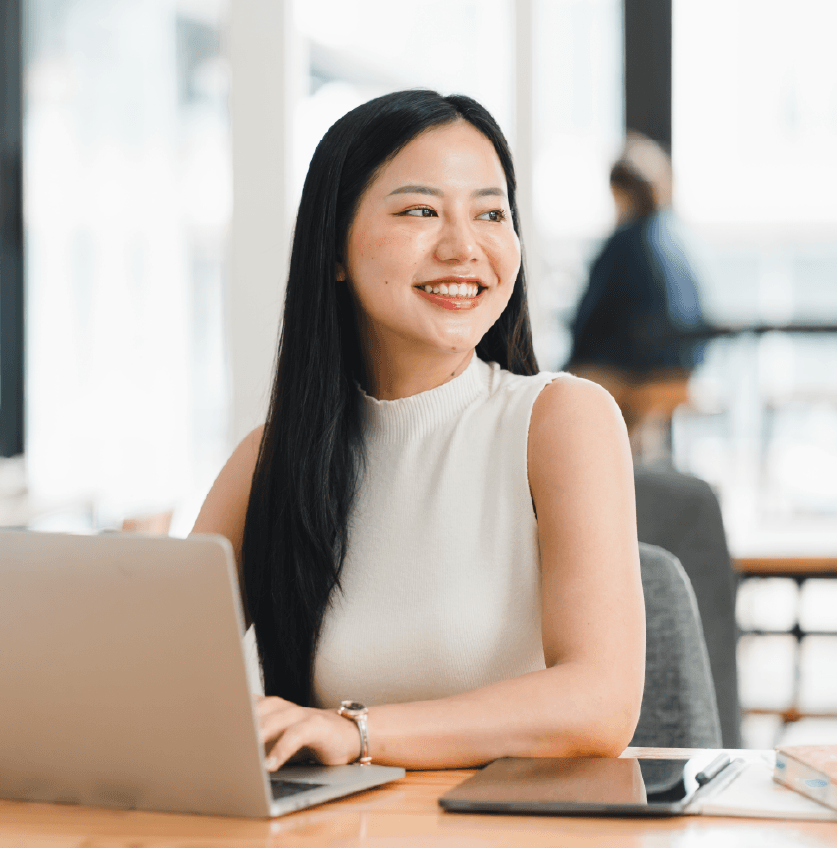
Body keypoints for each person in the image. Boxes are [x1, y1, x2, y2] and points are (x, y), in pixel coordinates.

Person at [193, 90, 644, 771]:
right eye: (420, 211)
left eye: (491, 212)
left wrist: (358, 734)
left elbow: (601, 701)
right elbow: (157, 686)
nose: (464, 247)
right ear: (335, 247)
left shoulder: (560, 420)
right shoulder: (271, 459)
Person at [566, 134, 705, 437]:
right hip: (683, 371)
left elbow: (589, 317)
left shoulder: (625, 243)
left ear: (621, 192)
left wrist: (568, 361)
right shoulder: (676, 239)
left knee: (562, 387)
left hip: (640, 371)